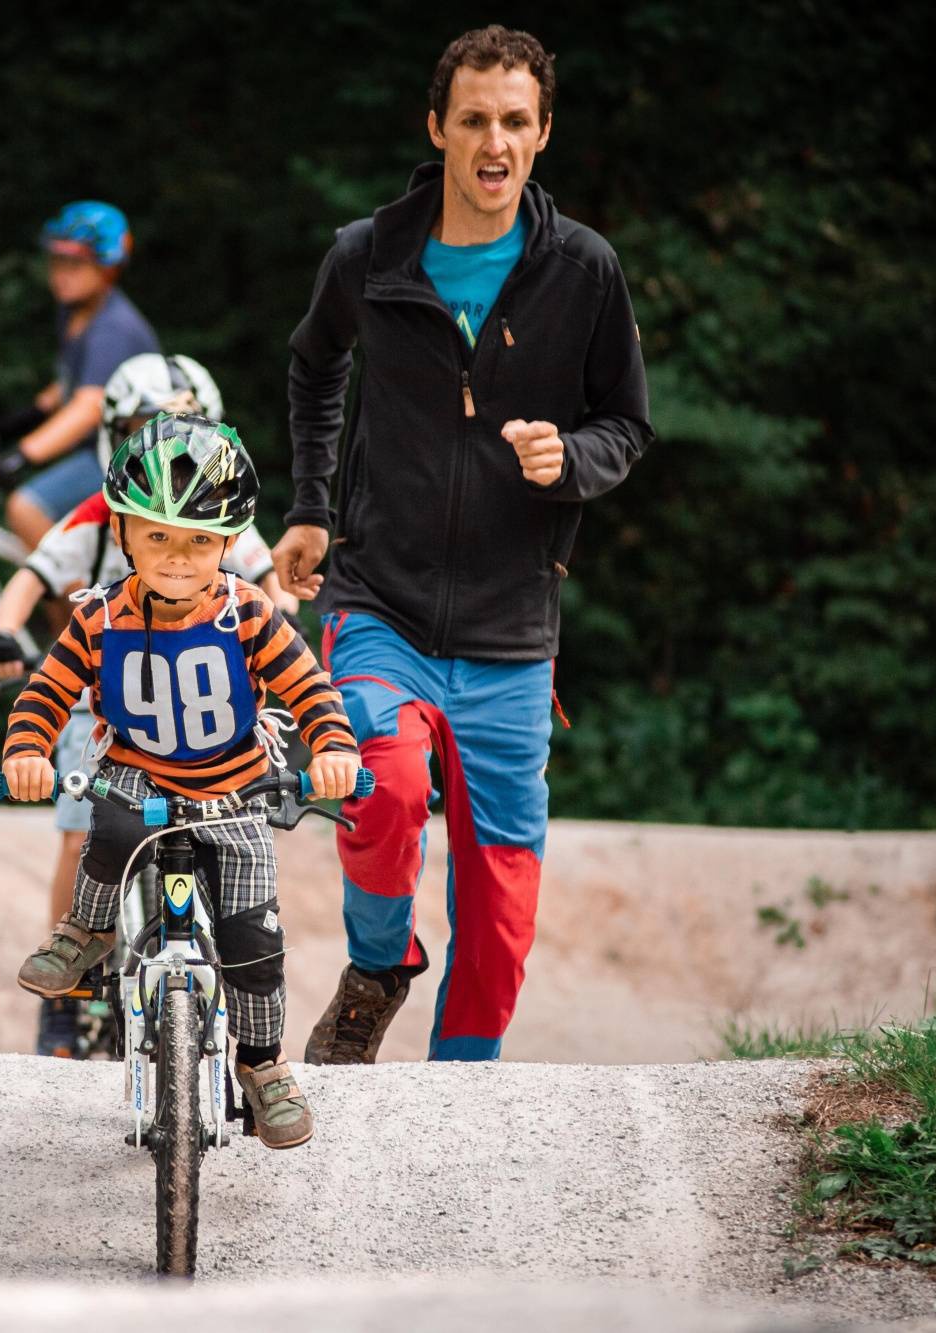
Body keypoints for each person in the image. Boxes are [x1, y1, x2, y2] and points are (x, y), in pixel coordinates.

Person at [275, 26, 653, 1062]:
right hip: (378, 599)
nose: (495, 143)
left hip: (510, 622)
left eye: (515, 122)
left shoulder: (583, 270)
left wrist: (568, 460)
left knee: (498, 906)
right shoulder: (368, 256)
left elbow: (626, 423)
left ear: (542, 133)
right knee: (377, 776)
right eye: (475, 119)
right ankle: (378, 964)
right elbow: (315, 366)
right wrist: (310, 507)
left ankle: (460, 1098)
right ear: (436, 128)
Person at [0, 414, 360, 1147]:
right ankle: (89, 929)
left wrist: (333, 746)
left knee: (254, 939)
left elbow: (311, 688)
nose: (176, 556)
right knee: (111, 827)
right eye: (157, 535)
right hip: (138, 778)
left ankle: (262, 1064)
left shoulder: (249, 613)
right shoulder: (99, 618)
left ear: (228, 543)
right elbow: (45, 693)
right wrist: (27, 751)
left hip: (235, 791)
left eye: (199, 539)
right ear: (122, 534)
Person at [0, 353, 298, 1057]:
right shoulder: (99, 521)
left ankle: (258, 1054)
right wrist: (3, 634)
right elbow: (34, 581)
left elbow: (270, 586)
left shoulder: (224, 533)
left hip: (214, 738)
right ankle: (74, 973)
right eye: (143, 428)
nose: (178, 547)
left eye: (184, 425)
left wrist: (284, 619)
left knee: (250, 914)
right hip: (108, 713)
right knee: (85, 831)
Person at [0, 201, 161, 550]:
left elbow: (88, 406)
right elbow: (76, 380)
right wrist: (30, 415)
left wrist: (22, 455)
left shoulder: (112, 328)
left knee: (26, 509)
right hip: (102, 448)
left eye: (76, 264)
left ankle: (75, 589)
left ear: (108, 268)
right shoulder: (74, 311)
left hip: (133, 458)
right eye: (57, 261)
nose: (61, 274)